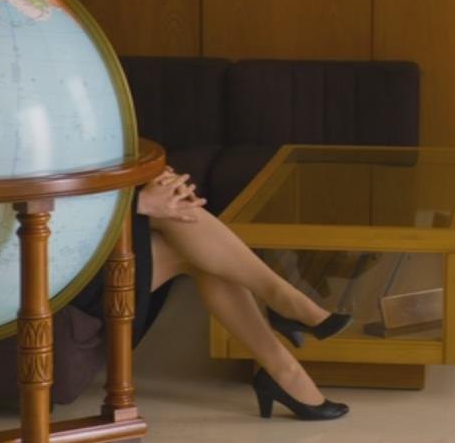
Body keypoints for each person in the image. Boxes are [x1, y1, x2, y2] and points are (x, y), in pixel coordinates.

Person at [74, 167, 352, 420]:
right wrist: (140, 203)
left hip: (83, 243)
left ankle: (285, 349)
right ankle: (285, 319)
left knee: (190, 232)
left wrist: (151, 178)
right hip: (60, 281)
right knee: (189, 238)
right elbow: (47, 203)